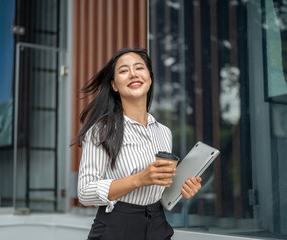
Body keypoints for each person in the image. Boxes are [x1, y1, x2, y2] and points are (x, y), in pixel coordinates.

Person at [77, 48, 202, 240]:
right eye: (123, 70)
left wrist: (182, 189)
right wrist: (139, 179)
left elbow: (158, 191)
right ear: (114, 85)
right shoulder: (101, 131)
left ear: (150, 79)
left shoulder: (164, 132)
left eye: (139, 68)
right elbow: (85, 192)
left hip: (158, 226)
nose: (133, 74)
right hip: (117, 228)